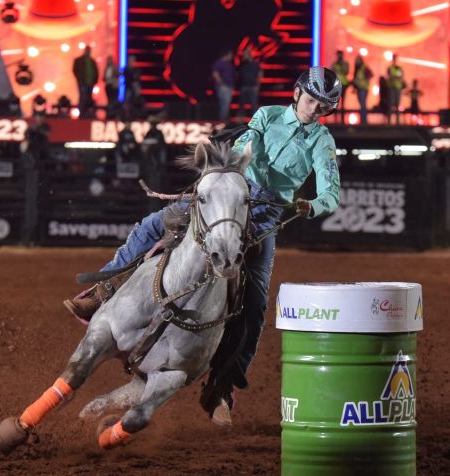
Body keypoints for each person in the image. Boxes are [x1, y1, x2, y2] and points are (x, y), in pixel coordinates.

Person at [63, 66, 342, 426]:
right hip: (230, 195)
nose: (315, 110)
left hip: (266, 214)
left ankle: (222, 385)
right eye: (311, 101)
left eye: (323, 107)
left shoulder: (323, 142)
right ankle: (102, 290)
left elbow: (332, 193)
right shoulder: (267, 115)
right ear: (297, 93)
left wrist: (311, 205)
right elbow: (245, 142)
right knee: (151, 225)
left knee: (255, 303)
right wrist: (241, 156)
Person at [73, 46, 99, 117]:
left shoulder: (92, 61)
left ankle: (88, 113)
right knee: (83, 97)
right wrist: (80, 78)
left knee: (89, 98)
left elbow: (95, 72)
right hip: (83, 82)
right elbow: (75, 70)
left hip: (90, 83)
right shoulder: (79, 60)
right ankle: (82, 113)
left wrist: (95, 80)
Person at [237, 48, 262, 119]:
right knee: (241, 104)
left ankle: (255, 121)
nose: (244, 56)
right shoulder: (242, 64)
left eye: (245, 54)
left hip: (253, 87)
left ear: (249, 55)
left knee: (254, 104)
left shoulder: (255, 64)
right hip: (243, 86)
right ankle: (240, 120)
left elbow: (260, 73)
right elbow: (238, 74)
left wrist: (258, 85)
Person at [212, 49, 236, 121]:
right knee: (224, 104)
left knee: (226, 104)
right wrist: (222, 84)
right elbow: (215, 74)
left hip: (229, 86)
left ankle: (224, 119)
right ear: (227, 54)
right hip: (223, 87)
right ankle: (223, 120)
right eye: (231, 55)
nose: (232, 57)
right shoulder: (219, 63)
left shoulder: (229, 64)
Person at [352, 55, 372, 124]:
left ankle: (364, 120)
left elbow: (370, 74)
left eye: (358, 60)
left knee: (363, 104)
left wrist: (363, 80)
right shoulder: (357, 68)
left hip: (363, 87)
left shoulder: (364, 67)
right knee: (362, 104)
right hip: (360, 87)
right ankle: (363, 119)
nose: (357, 61)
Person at [123, 55, 144, 119]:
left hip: (134, 90)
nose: (130, 62)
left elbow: (136, 78)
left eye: (131, 60)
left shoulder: (137, 70)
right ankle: (127, 116)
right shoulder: (126, 70)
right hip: (128, 89)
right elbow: (128, 79)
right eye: (129, 60)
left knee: (135, 102)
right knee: (126, 103)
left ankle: (136, 115)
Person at [331, 50, 350, 119]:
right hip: (336, 84)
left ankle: (342, 118)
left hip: (344, 84)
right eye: (338, 55)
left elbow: (346, 71)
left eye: (340, 55)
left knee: (343, 102)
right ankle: (336, 117)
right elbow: (331, 71)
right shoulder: (334, 64)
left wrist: (341, 65)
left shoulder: (345, 63)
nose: (339, 56)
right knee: (336, 101)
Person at [386, 55, 405, 124]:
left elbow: (400, 77)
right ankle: (389, 121)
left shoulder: (399, 68)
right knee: (390, 104)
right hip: (392, 88)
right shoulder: (390, 68)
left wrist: (394, 77)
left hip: (397, 88)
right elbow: (389, 77)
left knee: (397, 104)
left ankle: (397, 121)